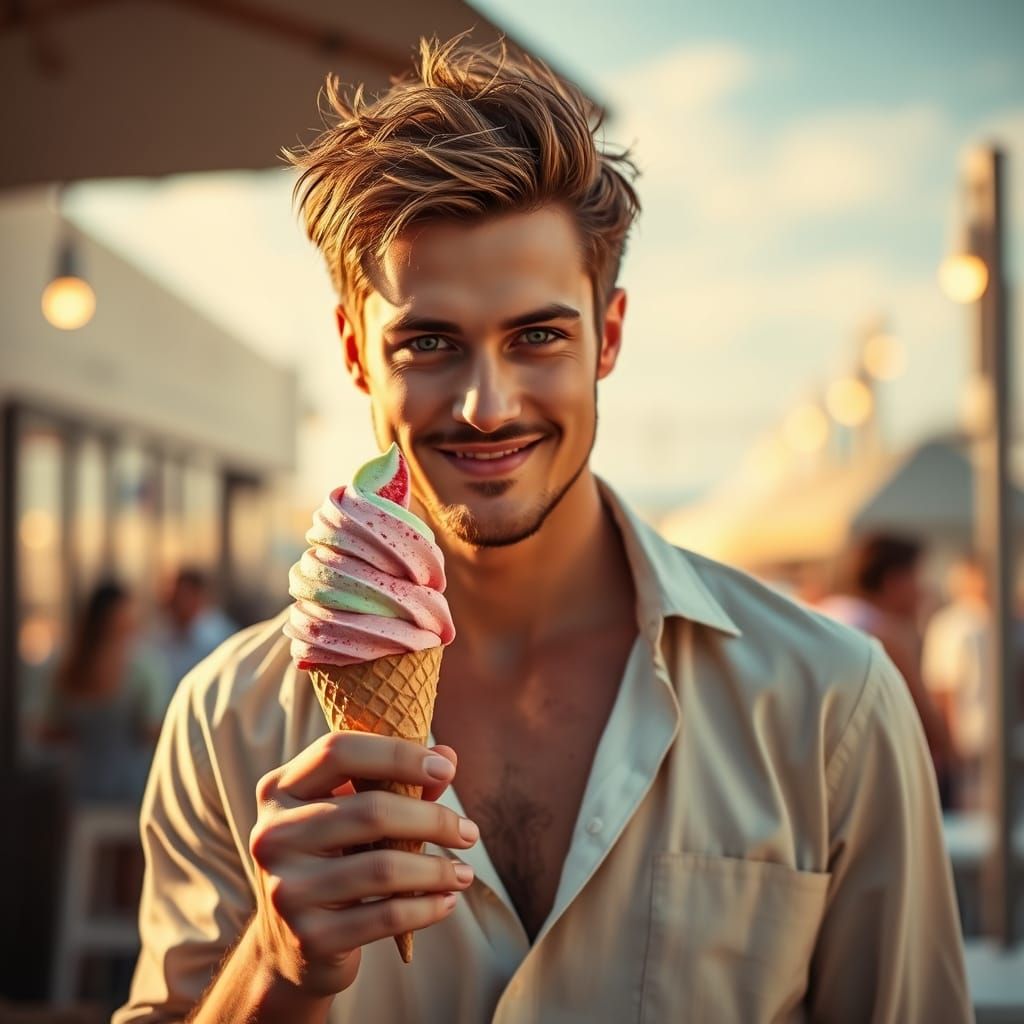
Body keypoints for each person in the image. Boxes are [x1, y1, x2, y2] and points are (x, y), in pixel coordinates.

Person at [114, 36, 972, 1023]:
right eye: (428, 341)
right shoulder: (228, 719)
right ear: (356, 354)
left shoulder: (830, 704)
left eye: (537, 335)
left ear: (607, 335)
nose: (486, 403)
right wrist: (276, 964)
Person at [817, 533, 957, 801]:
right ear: (894, 581)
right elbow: (928, 725)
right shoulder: (884, 635)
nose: (923, 591)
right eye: (918, 577)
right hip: (876, 790)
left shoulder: (825, 615)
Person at [39, 580, 169, 805]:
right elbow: (151, 729)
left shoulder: (71, 665)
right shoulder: (144, 667)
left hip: (83, 783)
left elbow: (51, 729)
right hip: (133, 786)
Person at [922, 554, 992, 810]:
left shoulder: (989, 620)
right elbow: (943, 691)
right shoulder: (954, 624)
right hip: (970, 739)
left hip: (981, 737)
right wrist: (950, 746)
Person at [150, 566, 236, 696]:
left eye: (178, 595)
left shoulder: (219, 638)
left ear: (197, 596)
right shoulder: (160, 635)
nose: (170, 601)